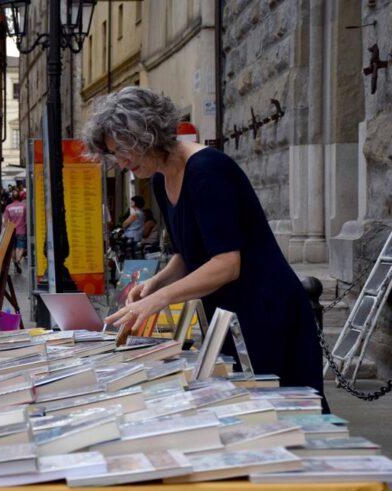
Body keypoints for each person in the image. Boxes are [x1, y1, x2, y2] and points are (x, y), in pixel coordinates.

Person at [85, 86, 325, 401]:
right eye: (114, 154)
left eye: (122, 150)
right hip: (229, 314)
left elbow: (226, 264)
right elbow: (189, 254)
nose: (120, 161)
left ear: (147, 134)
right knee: (244, 407)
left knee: (286, 411)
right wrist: (154, 284)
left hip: (266, 310)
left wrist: (159, 300)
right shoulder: (160, 179)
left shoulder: (207, 170)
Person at [3, 190, 27, 273]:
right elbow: (27, 219)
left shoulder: (8, 207)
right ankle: (18, 260)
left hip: (11, 231)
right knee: (20, 247)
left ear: (12, 198)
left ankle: (14, 261)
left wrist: (4, 231)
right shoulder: (24, 207)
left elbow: (5, 222)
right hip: (21, 230)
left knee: (12, 248)